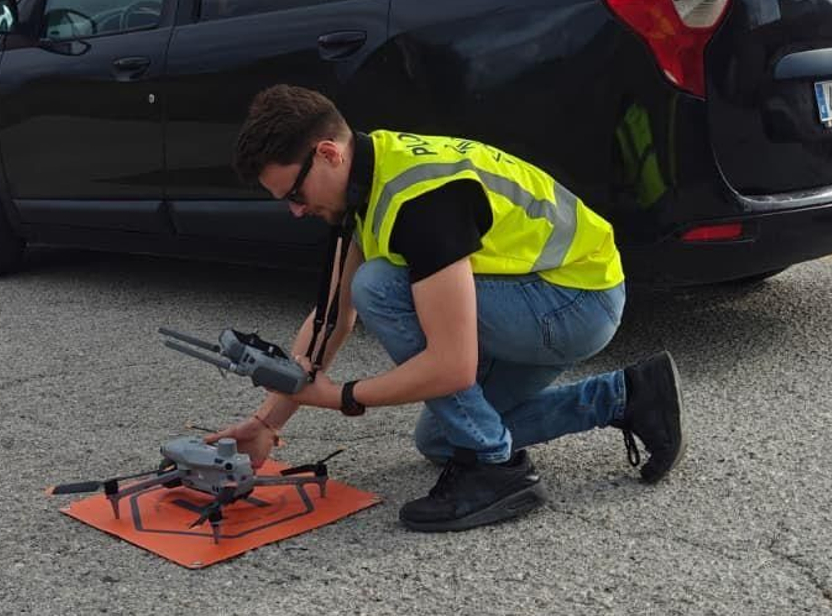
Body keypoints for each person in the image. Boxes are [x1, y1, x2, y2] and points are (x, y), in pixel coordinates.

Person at [207, 84, 684, 532]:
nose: (294, 210)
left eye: (294, 194)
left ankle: (497, 471)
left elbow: (453, 368)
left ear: (328, 154)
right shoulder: (366, 177)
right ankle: (629, 395)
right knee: (439, 440)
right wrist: (268, 422)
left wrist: (342, 396)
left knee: (378, 286)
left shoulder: (419, 201)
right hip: (543, 295)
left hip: (574, 303)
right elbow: (332, 317)